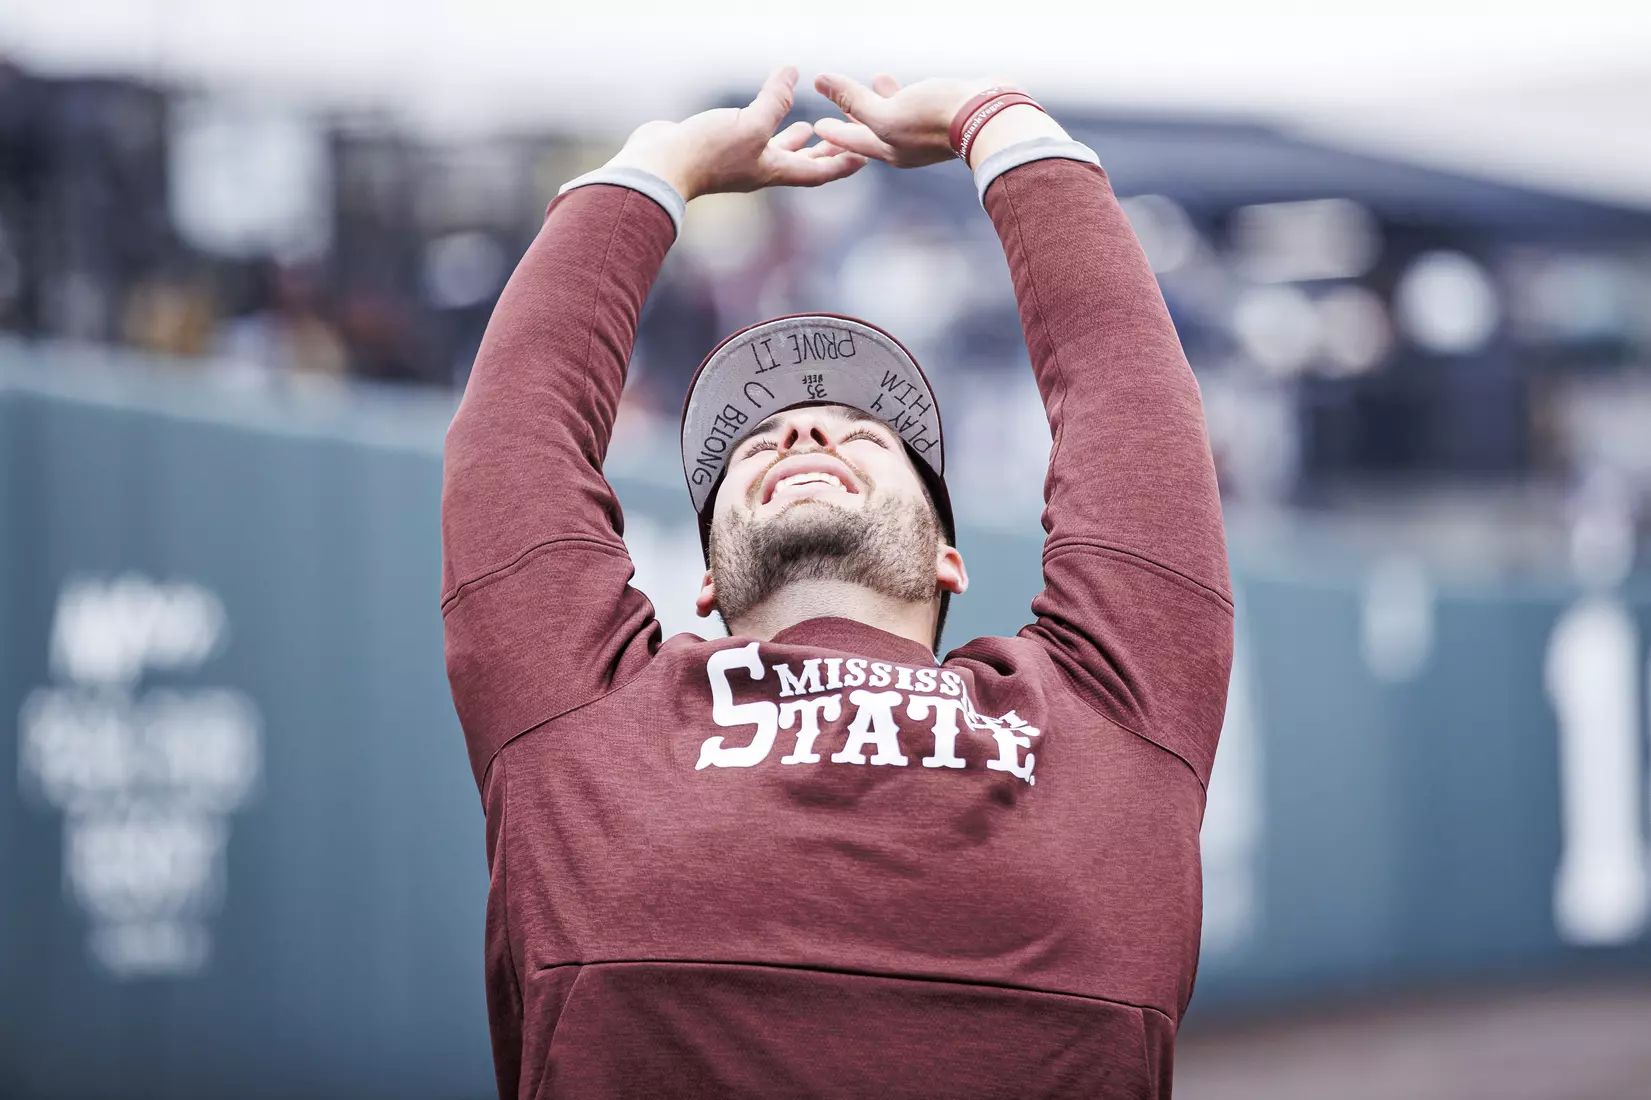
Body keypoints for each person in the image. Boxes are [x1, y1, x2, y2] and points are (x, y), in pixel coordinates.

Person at [441, 65, 1232, 1099]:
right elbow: (512, 438)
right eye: (754, 444)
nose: (805, 425)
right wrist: (654, 167)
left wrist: (997, 124)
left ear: (952, 556)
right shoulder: (582, 715)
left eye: (865, 433)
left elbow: (1131, 400)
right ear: (710, 580)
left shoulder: (1106, 713)